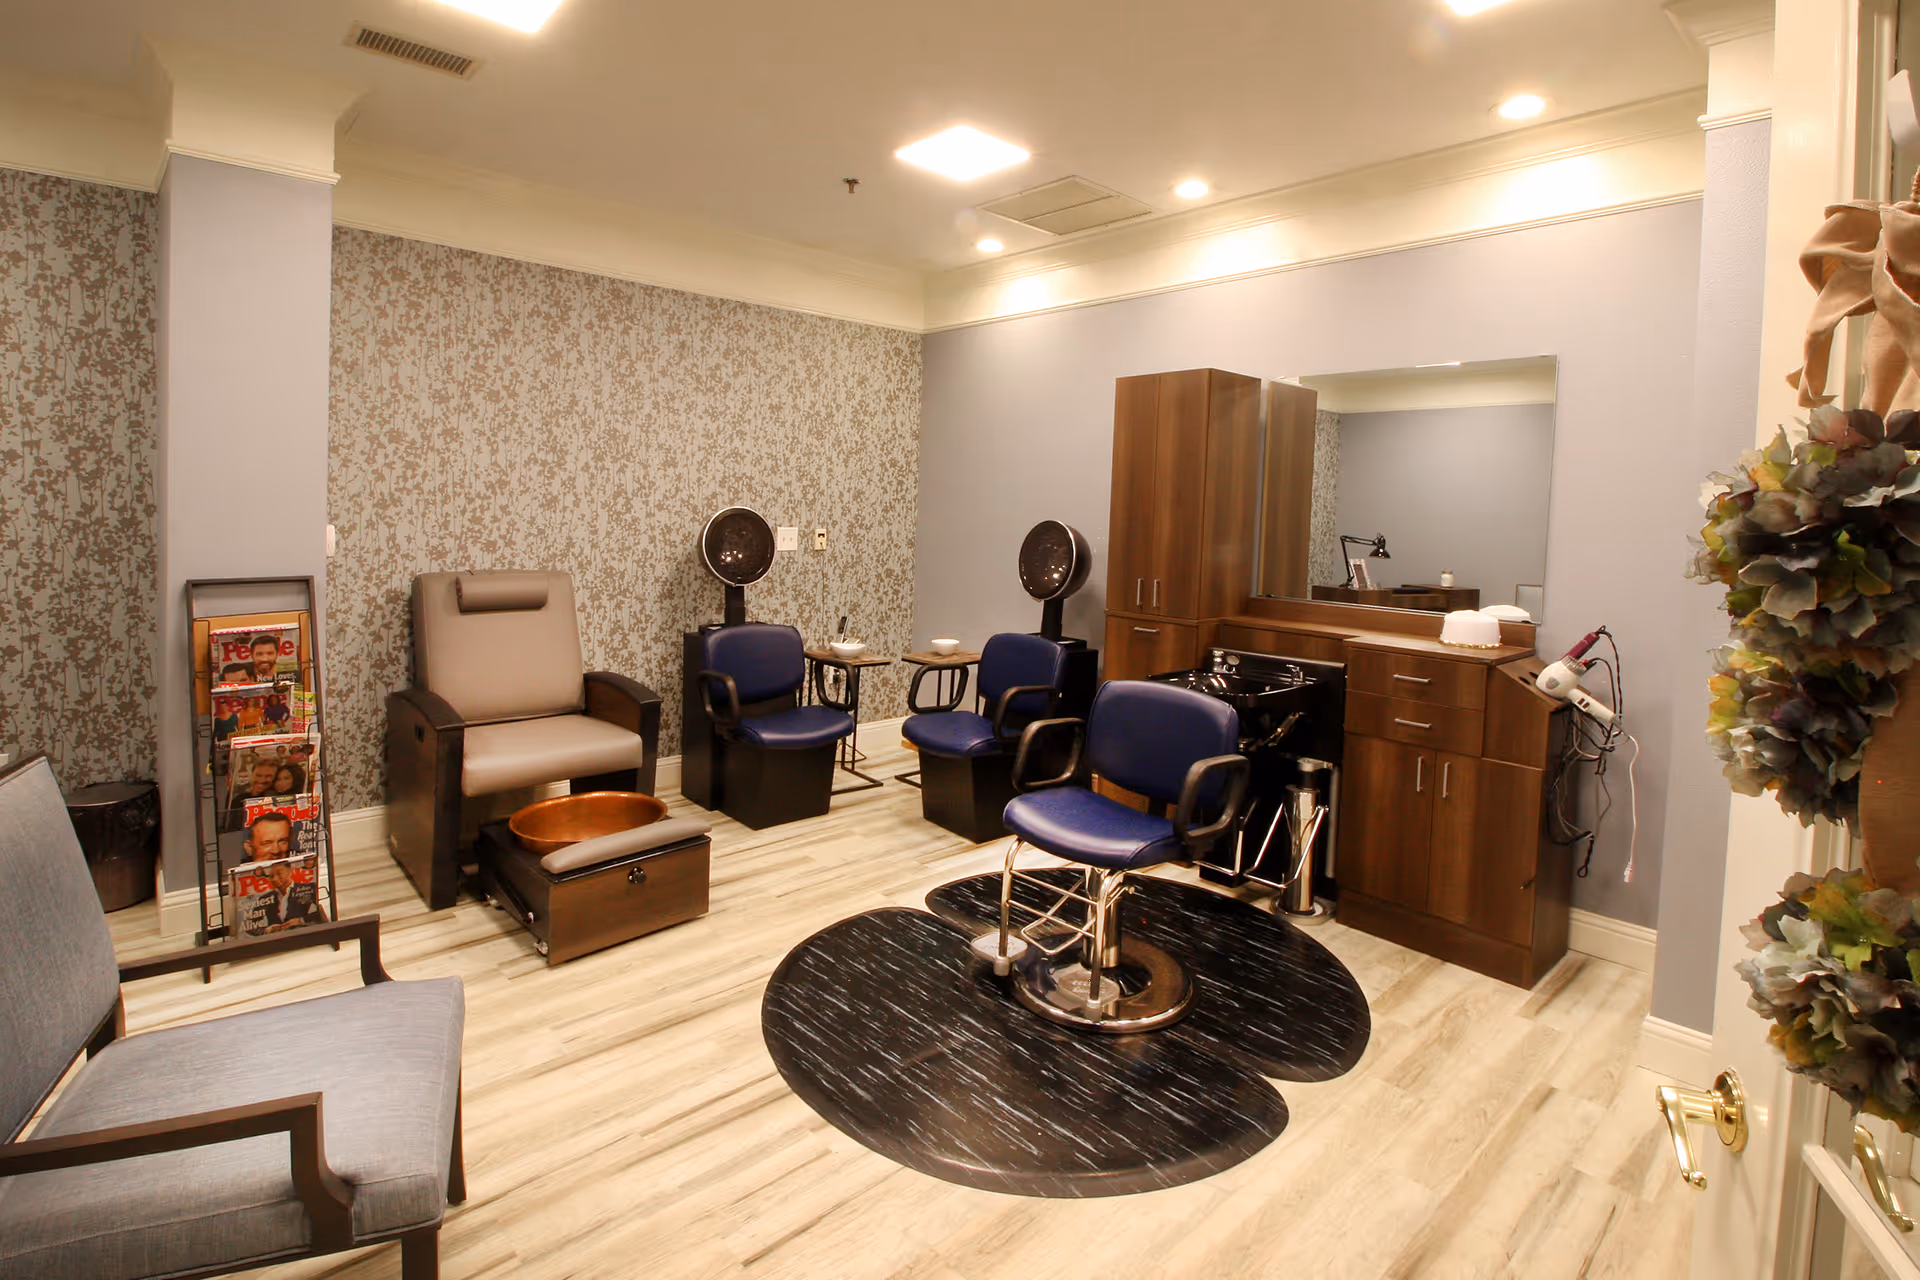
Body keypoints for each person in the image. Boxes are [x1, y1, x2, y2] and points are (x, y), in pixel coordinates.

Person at [259, 857, 327, 932]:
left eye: (279, 874)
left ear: (290, 871)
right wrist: (268, 930)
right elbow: (253, 927)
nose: (274, 879)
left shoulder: (308, 888)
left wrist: (300, 921)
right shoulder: (265, 899)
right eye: (271, 876)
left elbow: (318, 915)